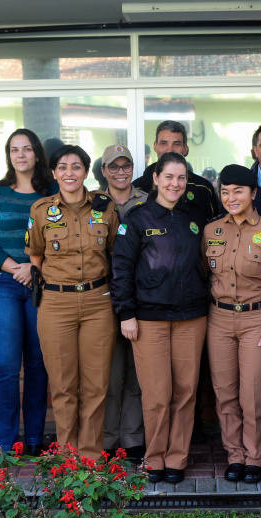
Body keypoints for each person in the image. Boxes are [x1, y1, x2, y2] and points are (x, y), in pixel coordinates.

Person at [111, 152, 209, 484]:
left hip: (192, 317)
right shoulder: (136, 218)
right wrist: (126, 313)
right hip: (149, 319)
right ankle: (154, 459)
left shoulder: (195, 217)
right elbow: (121, 269)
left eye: (181, 178)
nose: (175, 184)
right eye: (169, 177)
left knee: (185, 392)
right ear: (155, 178)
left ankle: (176, 459)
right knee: (156, 395)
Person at [27, 145, 120, 459]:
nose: (70, 173)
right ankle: (68, 460)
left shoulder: (105, 208)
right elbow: (36, 255)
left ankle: (91, 459)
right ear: (54, 173)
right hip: (56, 303)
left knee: (96, 385)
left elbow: (113, 252)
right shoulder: (41, 210)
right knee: (64, 387)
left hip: (98, 302)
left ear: (86, 172)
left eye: (76, 166)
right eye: (63, 167)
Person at [204, 165, 261, 484]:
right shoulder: (212, 231)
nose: (230, 197)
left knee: (253, 393)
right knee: (224, 392)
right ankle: (234, 454)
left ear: (253, 193)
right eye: (225, 191)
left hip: (256, 319)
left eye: (238, 191)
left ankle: (254, 456)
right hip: (219, 319)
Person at [0, 128, 56, 454]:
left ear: (37, 153)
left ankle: (35, 439)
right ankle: (6, 442)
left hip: (43, 286)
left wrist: (34, 268)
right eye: (14, 150)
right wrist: (18, 268)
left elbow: (60, 240)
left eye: (26, 149)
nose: (20, 155)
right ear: (8, 155)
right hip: (3, 287)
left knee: (38, 364)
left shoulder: (51, 193)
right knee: (8, 367)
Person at [101, 145, 147, 461]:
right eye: (113, 167)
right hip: (101, 296)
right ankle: (106, 437)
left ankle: (131, 437)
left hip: (139, 295)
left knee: (136, 369)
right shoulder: (93, 202)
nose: (120, 172)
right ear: (103, 170)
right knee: (106, 369)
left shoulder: (147, 201)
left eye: (126, 165)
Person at [132, 120, 221, 222]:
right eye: (164, 143)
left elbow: (214, 229)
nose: (169, 149)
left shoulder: (203, 189)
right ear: (155, 146)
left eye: (177, 144)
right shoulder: (138, 187)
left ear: (185, 148)